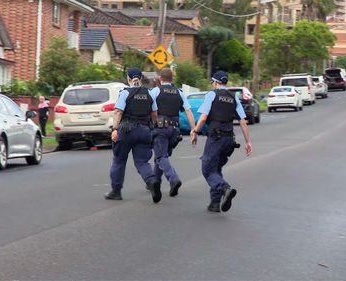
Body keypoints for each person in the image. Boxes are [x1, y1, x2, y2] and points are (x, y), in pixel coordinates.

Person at [190, 70, 252, 213]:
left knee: (207, 168)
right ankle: (215, 203)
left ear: (216, 82)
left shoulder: (212, 95)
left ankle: (225, 189)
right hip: (229, 139)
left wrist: (195, 131)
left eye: (213, 82)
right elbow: (243, 122)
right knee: (216, 169)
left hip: (215, 138)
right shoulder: (233, 97)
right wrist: (248, 142)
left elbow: (204, 117)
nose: (212, 85)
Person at [105, 67, 162, 203]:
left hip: (126, 130)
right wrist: (154, 128)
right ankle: (152, 181)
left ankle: (116, 191)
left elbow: (118, 112)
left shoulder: (125, 93)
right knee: (142, 162)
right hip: (144, 130)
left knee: (119, 160)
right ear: (141, 78)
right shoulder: (149, 94)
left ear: (128, 79)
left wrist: (114, 129)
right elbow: (154, 114)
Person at [149, 68, 196, 197]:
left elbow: (148, 108)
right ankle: (155, 182)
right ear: (172, 79)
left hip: (160, 128)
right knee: (162, 155)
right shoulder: (179, 92)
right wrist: (194, 129)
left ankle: (173, 179)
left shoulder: (155, 91)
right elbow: (188, 111)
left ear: (160, 79)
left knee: (161, 156)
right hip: (174, 131)